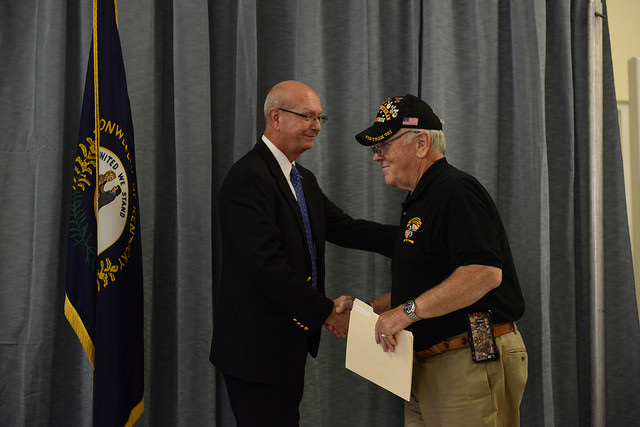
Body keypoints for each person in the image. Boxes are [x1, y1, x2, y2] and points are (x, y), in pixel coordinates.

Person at [210, 80, 396, 426]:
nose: (317, 126)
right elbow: (267, 267)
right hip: (255, 350)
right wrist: (327, 313)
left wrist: (414, 239)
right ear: (275, 117)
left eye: (320, 118)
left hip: (286, 344)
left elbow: (344, 227)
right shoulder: (248, 178)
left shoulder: (302, 178)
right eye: (307, 116)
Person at [355, 94, 528, 426]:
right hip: (431, 364)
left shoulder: (455, 190)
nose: (377, 157)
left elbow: (483, 273)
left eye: (384, 146)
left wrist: (403, 314)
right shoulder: (421, 199)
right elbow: (431, 284)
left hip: (467, 359)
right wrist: (371, 311)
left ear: (421, 143)